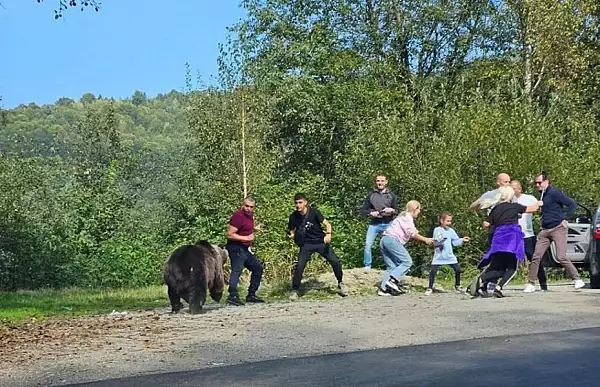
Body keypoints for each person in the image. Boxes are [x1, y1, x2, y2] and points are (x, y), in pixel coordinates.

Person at [524, 171, 585, 293]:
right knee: (536, 256)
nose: (537, 185)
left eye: (539, 182)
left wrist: (566, 219)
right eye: (536, 183)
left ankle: (577, 279)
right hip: (545, 230)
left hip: (558, 228)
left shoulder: (554, 193)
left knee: (561, 256)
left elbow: (572, 204)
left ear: (546, 182)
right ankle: (531, 283)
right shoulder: (542, 195)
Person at [476, 186, 539, 298]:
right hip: (511, 240)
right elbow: (533, 209)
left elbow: (486, 224)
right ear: (511, 196)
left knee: (499, 268)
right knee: (512, 267)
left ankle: (481, 279)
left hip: (498, 239)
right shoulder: (514, 207)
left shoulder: (496, 209)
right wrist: (539, 203)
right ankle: (498, 287)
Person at [287, 193, 348, 300]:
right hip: (306, 244)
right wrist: (291, 235)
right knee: (300, 266)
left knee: (335, 261)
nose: (298, 205)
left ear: (305, 203)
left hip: (320, 241)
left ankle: (340, 283)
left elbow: (327, 224)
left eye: (300, 202)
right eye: (296, 203)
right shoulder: (293, 216)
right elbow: (291, 230)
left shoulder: (314, 212)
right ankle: (295, 290)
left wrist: (328, 234)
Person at [378, 200, 434, 296]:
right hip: (392, 240)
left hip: (384, 240)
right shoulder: (407, 218)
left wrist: (427, 240)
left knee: (392, 267)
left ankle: (384, 289)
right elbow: (412, 233)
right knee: (407, 261)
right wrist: (425, 240)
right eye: (419, 209)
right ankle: (392, 281)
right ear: (414, 209)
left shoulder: (402, 217)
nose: (420, 212)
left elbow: (414, 233)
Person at [225, 196, 265, 306]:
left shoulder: (250, 216)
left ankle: (251, 295)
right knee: (237, 270)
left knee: (257, 268)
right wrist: (246, 238)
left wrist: (254, 229)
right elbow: (230, 235)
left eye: (251, 207)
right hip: (235, 247)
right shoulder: (238, 216)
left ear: (254, 208)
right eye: (246, 206)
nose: (248, 209)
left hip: (244, 248)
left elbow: (244, 228)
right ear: (243, 205)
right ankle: (232, 295)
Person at [511, 180, 548, 291]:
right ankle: (497, 283)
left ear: (519, 189)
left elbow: (540, 207)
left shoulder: (529, 198)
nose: (512, 190)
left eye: (514, 188)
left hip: (527, 234)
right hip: (513, 234)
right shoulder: (508, 200)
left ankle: (542, 283)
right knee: (508, 258)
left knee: (534, 258)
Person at [425, 211, 470, 295]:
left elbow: (455, 242)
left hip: (449, 255)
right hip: (439, 255)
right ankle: (430, 287)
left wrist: (462, 240)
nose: (449, 223)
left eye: (450, 221)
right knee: (433, 271)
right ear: (441, 221)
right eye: (447, 221)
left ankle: (457, 285)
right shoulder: (437, 230)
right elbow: (437, 241)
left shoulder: (451, 231)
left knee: (458, 270)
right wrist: (439, 242)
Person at [361, 174, 399, 270]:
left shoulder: (391, 195)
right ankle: (367, 266)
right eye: (378, 181)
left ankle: (392, 267)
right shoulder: (371, 195)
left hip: (388, 223)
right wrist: (371, 213)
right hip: (374, 223)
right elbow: (364, 210)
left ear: (386, 182)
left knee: (389, 246)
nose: (380, 183)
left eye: (382, 181)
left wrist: (392, 210)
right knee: (367, 245)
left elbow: (397, 210)